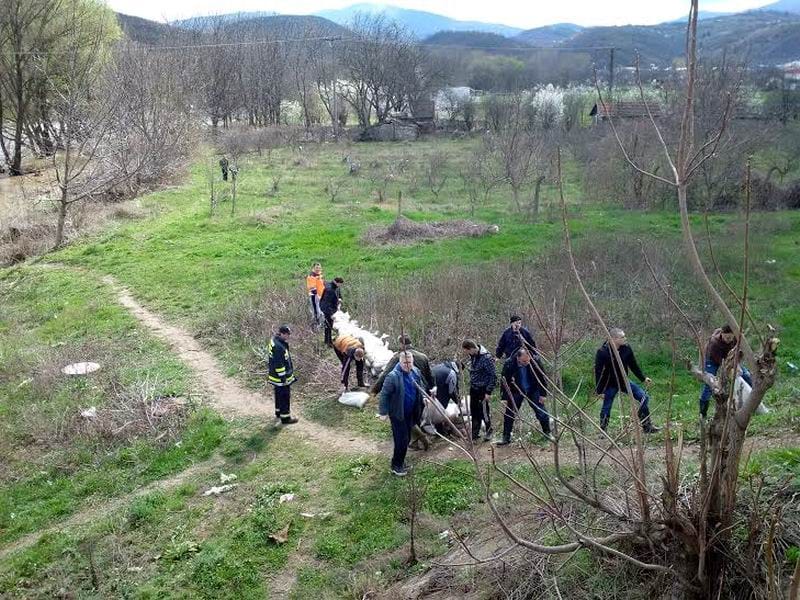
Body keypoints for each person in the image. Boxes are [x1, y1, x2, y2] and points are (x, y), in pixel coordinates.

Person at [594, 328, 659, 433]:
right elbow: (598, 372)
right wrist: (599, 390)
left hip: (624, 381)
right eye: (622, 337)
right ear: (614, 339)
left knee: (644, 397)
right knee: (607, 407)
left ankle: (647, 426)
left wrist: (643, 378)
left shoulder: (626, 348)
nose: (625, 338)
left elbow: (633, 364)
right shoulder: (603, 352)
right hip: (609, 384)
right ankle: (603, 431)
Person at [378, 351, 424, 477]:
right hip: (398, 414)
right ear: (400, 362)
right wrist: (383, 412)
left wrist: (424, 397)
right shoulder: (393, 376)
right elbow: (384, 395)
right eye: (405, 363)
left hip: (411, 412)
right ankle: (396, 466)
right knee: (401, 440)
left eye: (410, 362)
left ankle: (401, 462)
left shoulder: (415, 372)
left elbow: (421, 386)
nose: (408, 365)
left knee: (407, 438)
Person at [497, 348, 551, 445]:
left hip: (532, 389)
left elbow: (542, 377)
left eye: (528, 360)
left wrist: (543, 394)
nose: (526, 363)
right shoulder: (509, 363)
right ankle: (506, 438)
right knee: (509, 414)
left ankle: (547, 434)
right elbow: (504, 381)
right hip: (516, 390)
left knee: (541, 411)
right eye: (524, 361)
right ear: (518, 358)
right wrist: (504, 398)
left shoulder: (535, 361)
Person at [699, 325, 754, 417]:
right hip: (713, 360)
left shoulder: (736, 338)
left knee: (746, 375)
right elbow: (721, 363)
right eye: (726, 338)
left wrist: (737, 365)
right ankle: (703, 413)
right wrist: (732, 367)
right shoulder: (714, 344)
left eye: (730, 338)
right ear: (722, 334)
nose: (729, 340)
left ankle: (753, 401)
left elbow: (739, 353)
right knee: (708, 384)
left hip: (730, 357)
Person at [370, 336, 435, 394]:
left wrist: (375, 391)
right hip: (422, 391)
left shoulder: (399, 358)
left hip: (406, 392)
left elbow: (385, 375)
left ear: (401, 344)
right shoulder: (423, 357)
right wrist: (432, 389)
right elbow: (430, 376)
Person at [462, 339, 497, 441]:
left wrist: (488, 391)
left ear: (471, 348)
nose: (467, 354)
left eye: (467, 351)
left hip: (483, 389)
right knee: (474, 411)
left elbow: (493, 375)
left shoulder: (486, 358)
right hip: (474, 388)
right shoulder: (473, 356)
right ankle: (475, 433)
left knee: (484, 411)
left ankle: (489, 431)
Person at [267, 325, 298, 425]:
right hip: (280, 378)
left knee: (278, 394)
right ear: (282, 333)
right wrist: (283, 378)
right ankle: (285, 418)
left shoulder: (274, 341)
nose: (288, 336)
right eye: (287, 334)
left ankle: (278, 412)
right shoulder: (279, 347)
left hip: (275, 376)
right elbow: (279, 364)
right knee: (284, 396)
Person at [319, 277, 344, 346]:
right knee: (328, 326)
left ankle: (328, 340)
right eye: (340, 284)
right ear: (336, 282)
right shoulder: (329, 289)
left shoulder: (336, 287)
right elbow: (327, 302)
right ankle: (328, 342)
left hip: (332, 309)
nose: (340, 286)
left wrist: (340, 299)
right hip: (327, 310)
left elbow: (338, 295)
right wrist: (331, 313)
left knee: (330, 325)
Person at [306, 263, 325, 328]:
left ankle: (322, 324)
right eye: (316, 268)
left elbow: (322, 286)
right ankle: (317, 325)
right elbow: (312, 288)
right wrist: (317, 296)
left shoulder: (320, 276)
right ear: (313, 268)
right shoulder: (311, 276)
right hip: (314, 296)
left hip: (321, 296)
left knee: (322, 311)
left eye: (319, 268)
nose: (318, 269)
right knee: (316, 311)